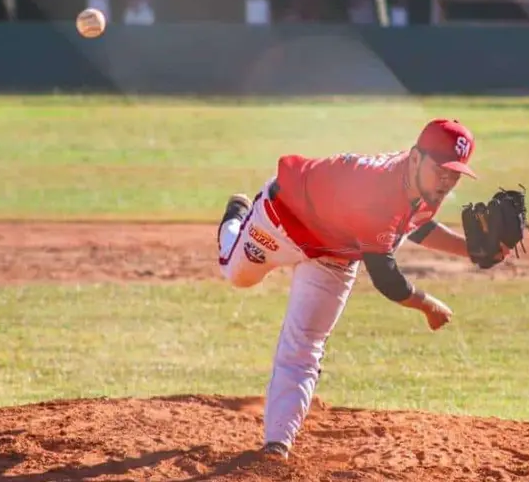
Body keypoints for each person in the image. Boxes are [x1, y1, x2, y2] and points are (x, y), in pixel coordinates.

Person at [216, 119, 510, 459]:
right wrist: (427, 305)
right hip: (281, 219)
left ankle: (276, 445)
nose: (447, 180)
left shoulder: (425, 185)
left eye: (455, 172)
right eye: (441, 168)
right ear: (415, 158)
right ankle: (236, 218)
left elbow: (413, 225)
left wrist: (473, 251)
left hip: (335, 254)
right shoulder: (378, 191)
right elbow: (386, 277)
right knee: (238, 275)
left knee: (304, 346)